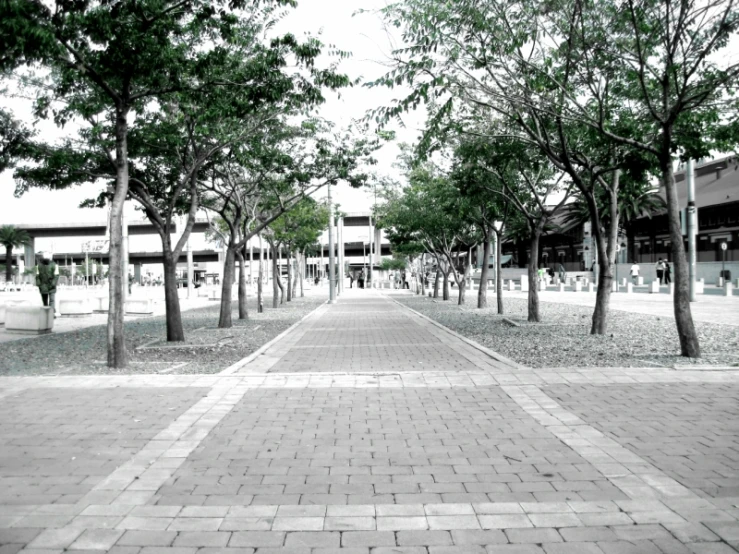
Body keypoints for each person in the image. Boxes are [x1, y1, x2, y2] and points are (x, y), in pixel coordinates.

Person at [36, 252, 58, 316]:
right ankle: (49, 314)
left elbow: (37, 276)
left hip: (46, 285)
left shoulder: (39, 265)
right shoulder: (54, 265)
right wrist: (39, 284)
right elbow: (56, 276)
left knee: (49, 300)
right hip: (47, 285)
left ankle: (49, 314)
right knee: (50, 301)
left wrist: (39, 284)